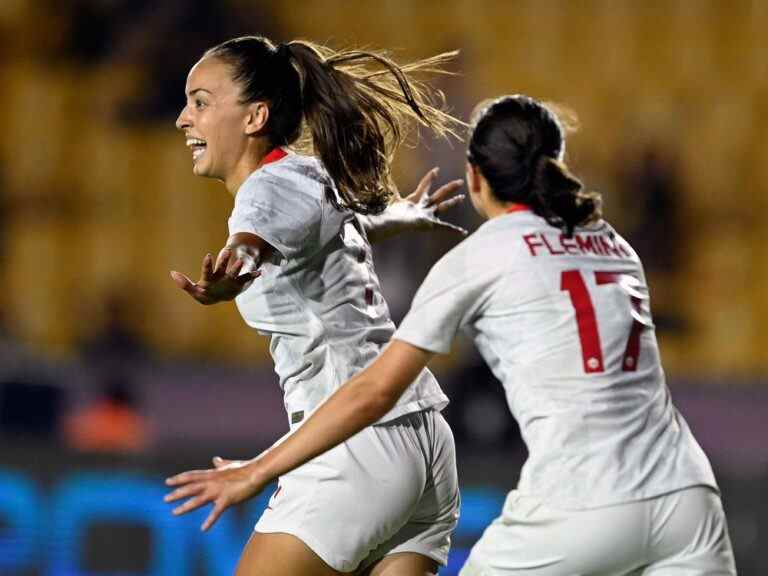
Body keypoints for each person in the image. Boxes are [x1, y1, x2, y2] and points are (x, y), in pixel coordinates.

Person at [167, 95, 737, 575]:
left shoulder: (482, 255)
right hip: (689, 497)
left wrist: (257, 471)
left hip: (581, 498)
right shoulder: (615, 245)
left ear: (474, 177)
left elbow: (373, 392)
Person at [166, 36, 467, 576]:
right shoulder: (307, 176)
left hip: (353, 445)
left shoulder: (264, 191)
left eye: (201, 102)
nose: (184, 119)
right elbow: (331, 225)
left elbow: (253, 241)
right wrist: (399, 215)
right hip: (425, 445)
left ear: (255, 115)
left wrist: (233, 270)